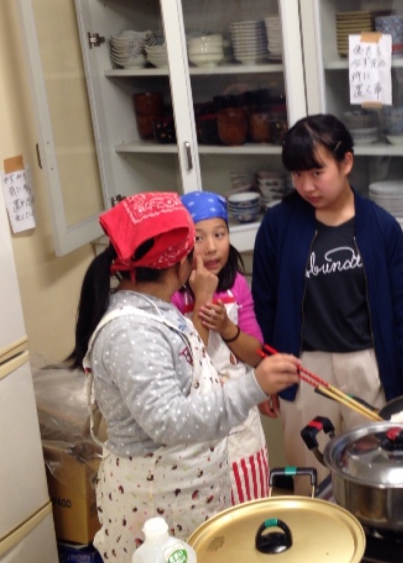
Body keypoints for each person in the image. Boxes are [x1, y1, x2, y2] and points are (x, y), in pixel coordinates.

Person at [69, 192, 298, 562]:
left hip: (183, 498)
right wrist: (254, 386)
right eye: (195, 245)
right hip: (155, 512)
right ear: (179, 264)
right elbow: (168, 421)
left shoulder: (154, 308)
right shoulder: (132, 333)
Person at [252, 114, 403, 488]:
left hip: (367, 366)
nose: (306, 186)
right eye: (297, 174)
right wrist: (263, 376)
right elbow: (263, 303)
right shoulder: (278, 225)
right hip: (302, 370)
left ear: (346, 162)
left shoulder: (381, 227)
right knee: (309, 478)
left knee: (374, 474)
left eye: (317, 172)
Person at [171, 190, 272, 504]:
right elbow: (189, 365)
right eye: (198, 238)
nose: (212, 247)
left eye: (219, 234)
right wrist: (202, 297)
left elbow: (256, 354)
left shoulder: (237, 284)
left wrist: (228, 328)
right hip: (198, 418)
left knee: (250, 506)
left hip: (241, 419)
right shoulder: (174, 294)